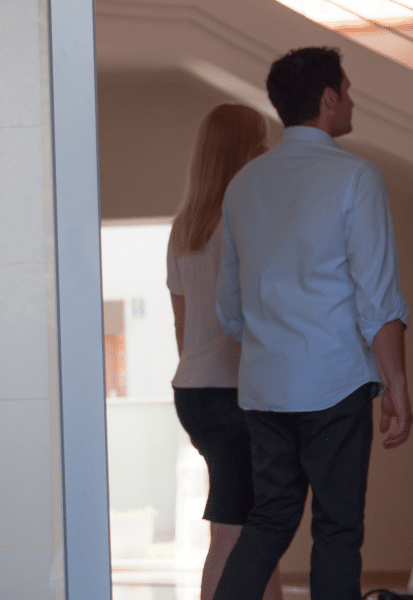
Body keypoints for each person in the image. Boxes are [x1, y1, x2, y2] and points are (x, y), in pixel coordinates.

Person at [213, 47, 411, 600]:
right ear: (327, 101)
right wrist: (397, 384)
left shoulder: (243, 186)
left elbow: (229, 308)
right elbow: (377, 301)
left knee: (269, 521)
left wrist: (273, 348)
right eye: (346, 91)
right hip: (334, 385)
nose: (351, 101)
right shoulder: (356, 177)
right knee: (337, 528)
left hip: (263, 388)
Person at [167, 104, 282, 600]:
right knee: (237, 530)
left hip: (194, 391)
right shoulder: (241, 220)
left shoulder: (184, 227)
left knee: (253, 526)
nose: (267, 153)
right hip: (234, 392)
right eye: (260, 144)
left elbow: (181, 321)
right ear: (245, 151)